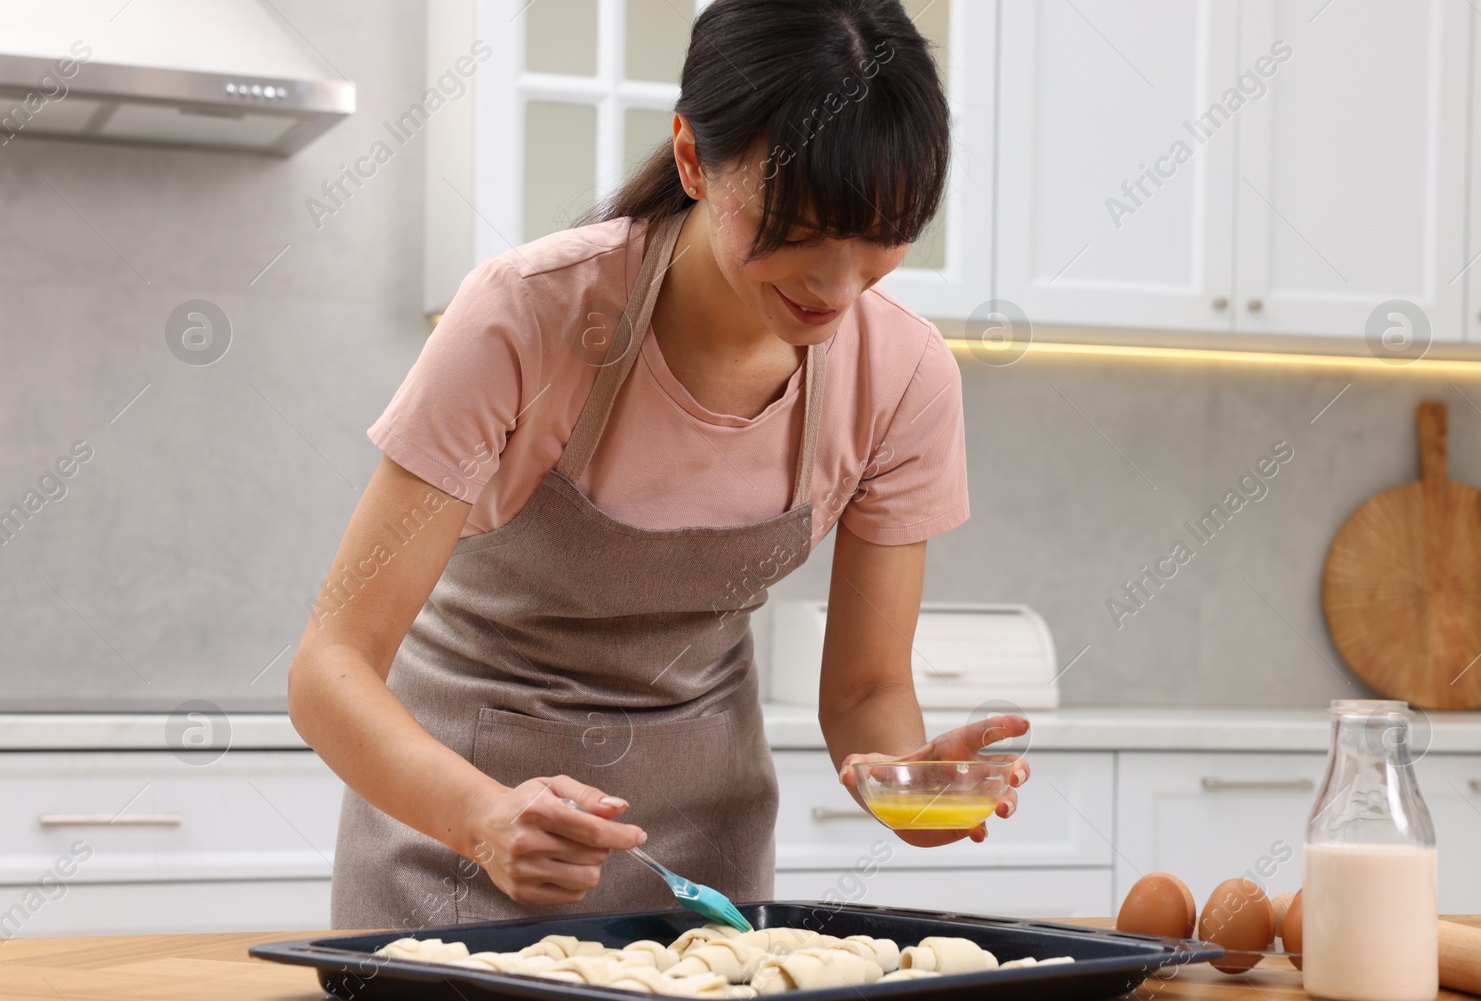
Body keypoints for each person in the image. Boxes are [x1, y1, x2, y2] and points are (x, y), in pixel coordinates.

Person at [288, 0, 1030, 931]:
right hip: (454, 855)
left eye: (882, 234)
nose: (839, 287)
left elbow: (865, 688)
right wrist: (481, 818)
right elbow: (330, 665)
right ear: (691, 158)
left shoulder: (904, 377)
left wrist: (914, 788)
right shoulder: (526, 315)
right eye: (797, 228)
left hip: (708, 877)